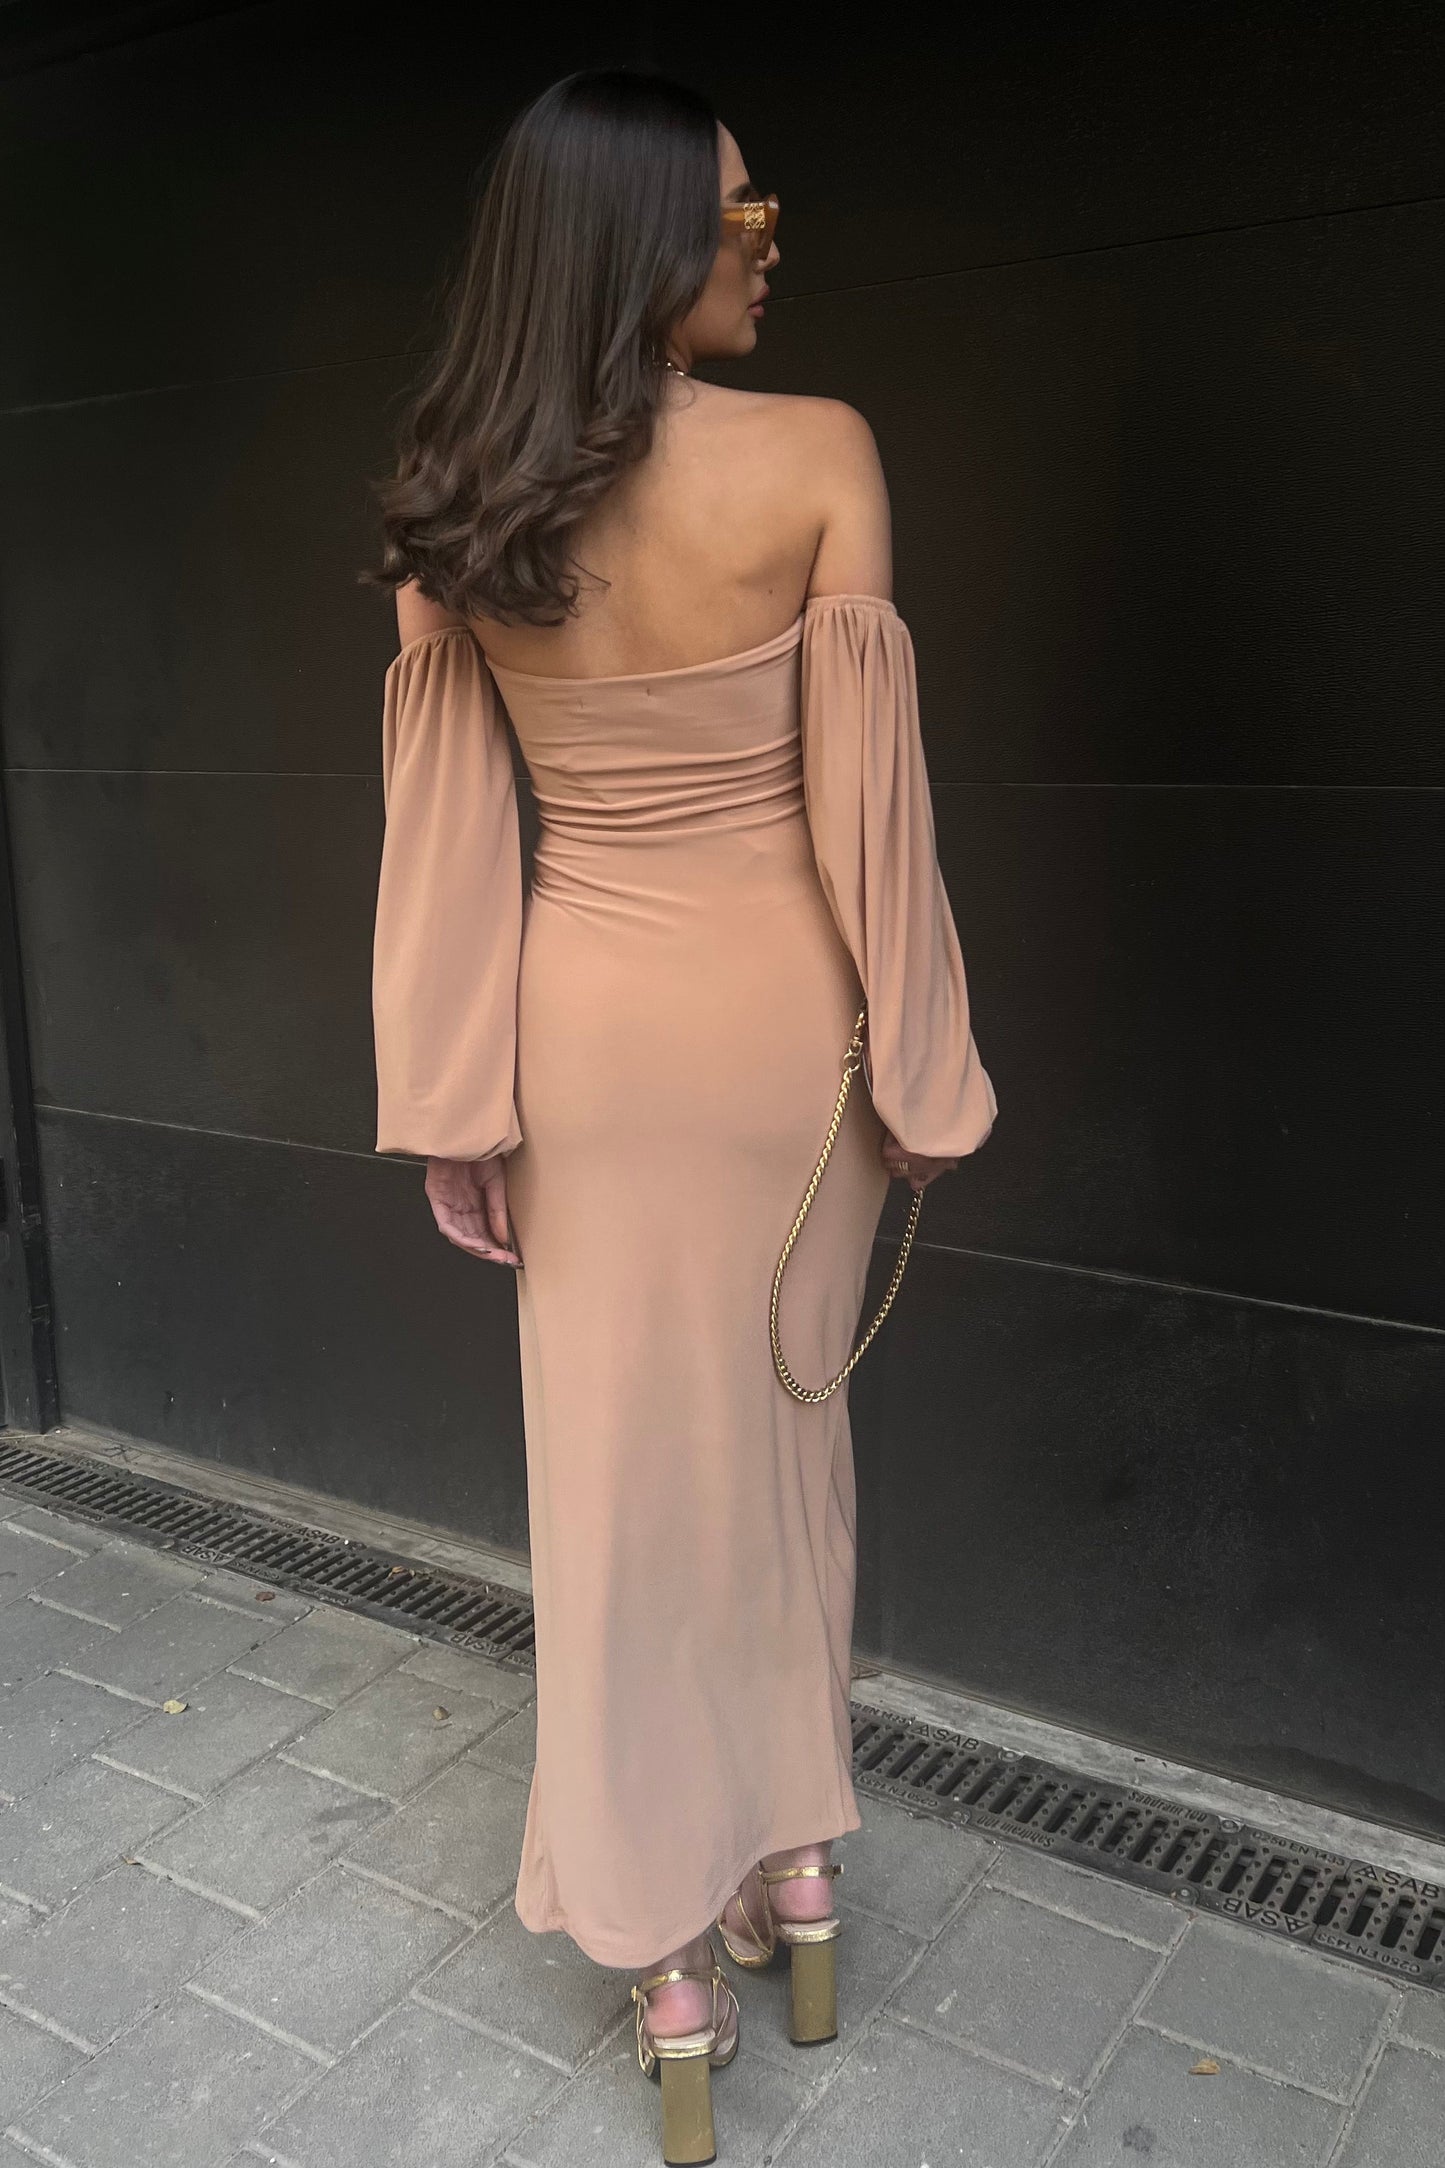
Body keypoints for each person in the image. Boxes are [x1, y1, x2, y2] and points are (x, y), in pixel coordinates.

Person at [364, 66, 996, 2167]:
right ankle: (790, 1866)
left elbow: (449, 828)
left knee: (622, 1489)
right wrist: (920, 1065)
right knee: (784, 1455)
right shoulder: (818, 456)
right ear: (634, 242)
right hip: (783, 1039)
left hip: (588, 1046)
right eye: (740, 215)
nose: (766, 242)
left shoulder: (451, 492)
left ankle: (666, 1970)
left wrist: (454, 1100)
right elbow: (870, 812)